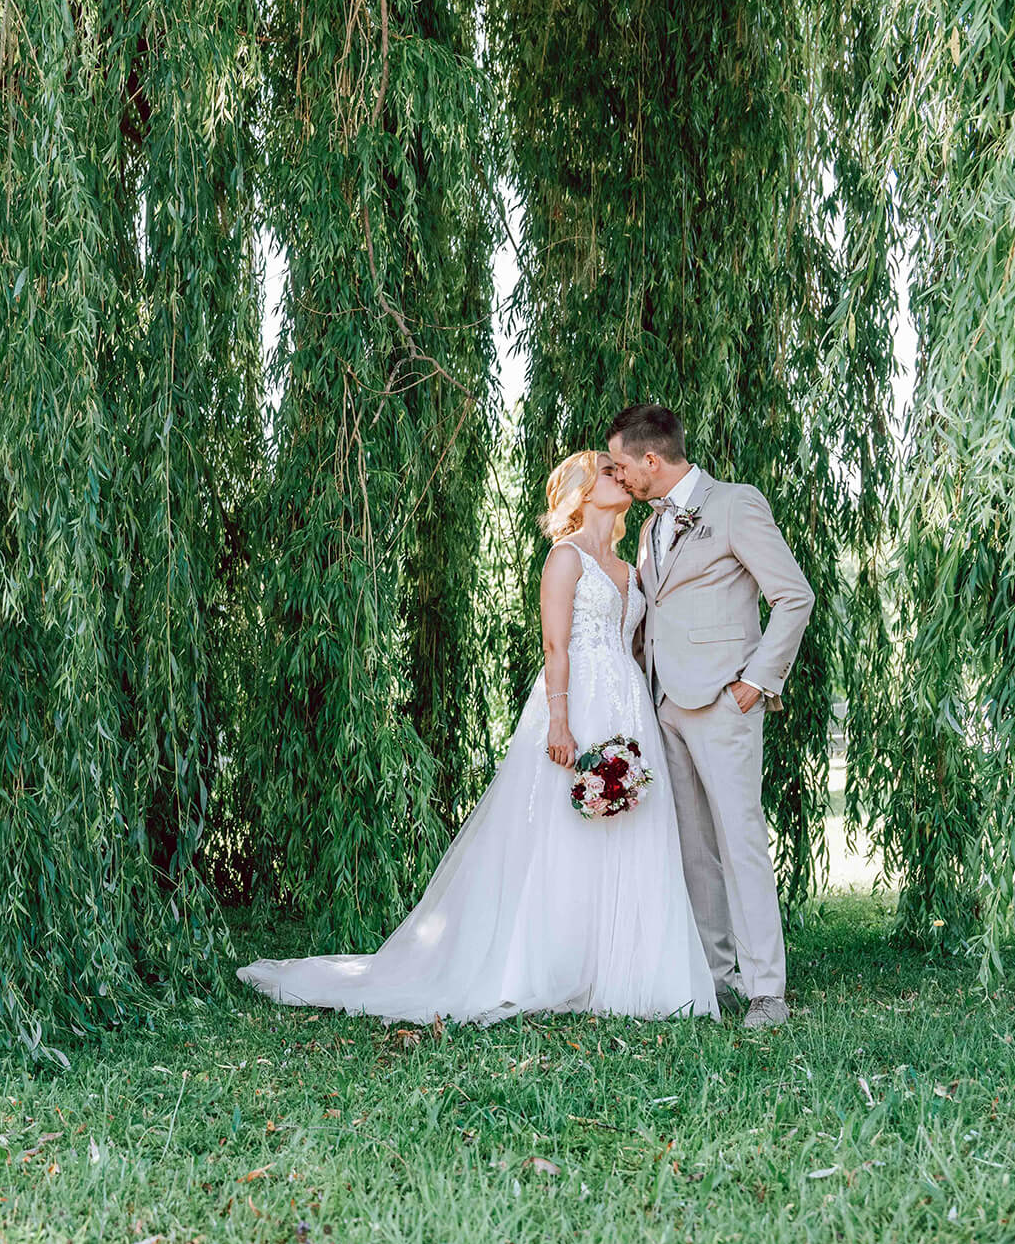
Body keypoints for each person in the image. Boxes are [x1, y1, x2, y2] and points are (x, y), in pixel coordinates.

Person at [236, 450, 717, 1025]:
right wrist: (560, 721)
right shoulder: (565, 559)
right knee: (563, 830)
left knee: (631, 822)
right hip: (578, 696)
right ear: (583, 492)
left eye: (620, 471)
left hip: (627, 700)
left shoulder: (631, 566)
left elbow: (638, 642)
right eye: (608, 473)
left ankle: (621, 967)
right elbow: (556, 647)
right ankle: (549, 962)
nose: (622, 478)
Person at [605, 404, 813, 1029]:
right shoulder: (647, 530)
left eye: (621, 465)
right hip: (664, 701)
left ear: (651, 459)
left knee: (739, 840)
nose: (619, 478)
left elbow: (793, 595)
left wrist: (756, 680)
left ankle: (766, 990)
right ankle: (715, 976)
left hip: (723, 701)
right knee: (694, 847)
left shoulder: (733, 505)